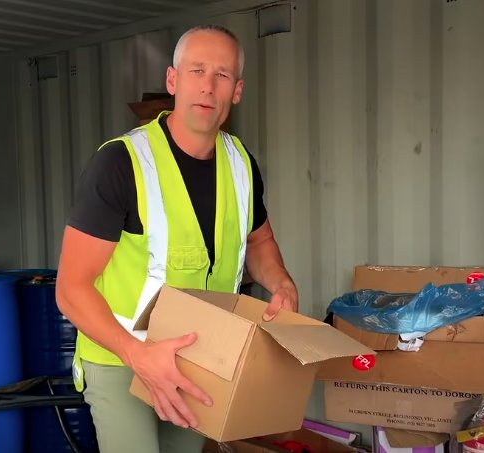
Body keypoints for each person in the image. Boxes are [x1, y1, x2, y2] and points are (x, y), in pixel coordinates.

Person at [55, 24, 298, 453]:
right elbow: (71, 290)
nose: (208, 86)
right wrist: (136, 354)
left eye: (222, 75)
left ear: (236, 90)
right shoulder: (121, 163)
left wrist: (280, 282)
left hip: (195, 354)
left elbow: (259, 242)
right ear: (173, 81)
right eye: (196, 70)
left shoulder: (241, 163)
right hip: (120, 357)